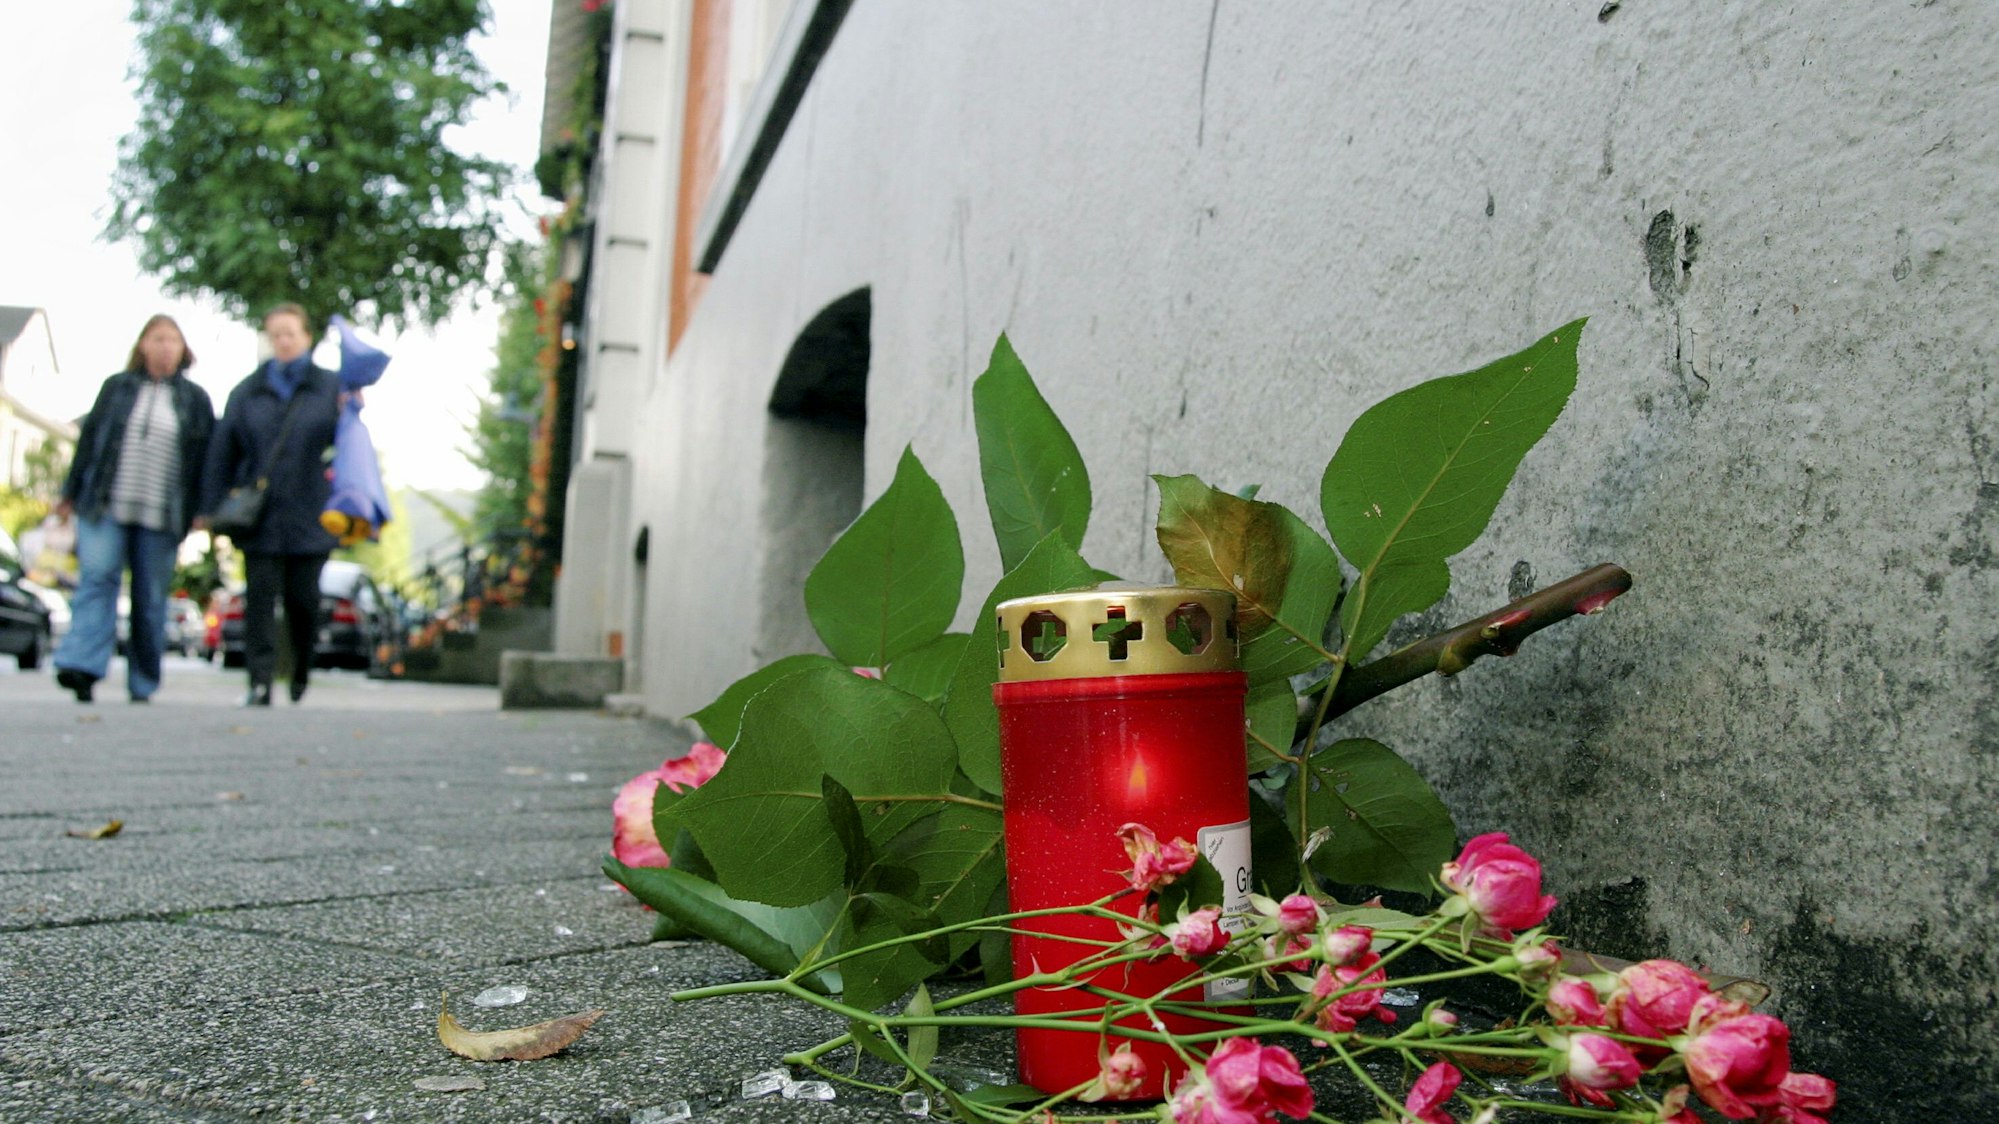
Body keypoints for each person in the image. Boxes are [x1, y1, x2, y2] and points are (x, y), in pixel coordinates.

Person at [51, 314, 216, 703]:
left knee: (150, 597)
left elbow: (206, 461)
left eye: (172, 340)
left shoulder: (195, 400)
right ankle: (82, 667)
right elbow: (89, 442)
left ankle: (142, 682)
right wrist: (69, 491)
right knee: (97, 579)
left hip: (163, 513)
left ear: (183, 350)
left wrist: (203, 509)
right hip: (105, 504)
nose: (164, 346)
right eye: (157, 338)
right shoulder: (116, 388)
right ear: (142, 345)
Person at [199, 303, 341, 706]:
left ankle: (300, 669)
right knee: (259, 599)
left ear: (306, 338)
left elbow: (348, 447)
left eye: (290, 333)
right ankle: (258, 682)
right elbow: (222, 451)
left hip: (312, 511)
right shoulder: (246, 391)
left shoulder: (330, 388)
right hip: (259, 516)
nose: (282, 340)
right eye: (275, 333)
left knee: (303, 600)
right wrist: (211, 506)